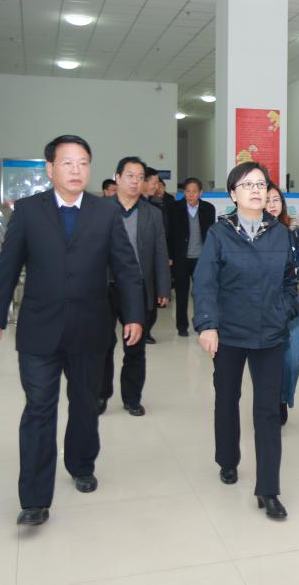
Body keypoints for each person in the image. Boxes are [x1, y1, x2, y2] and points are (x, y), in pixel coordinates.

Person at [0, 135, 144, 527]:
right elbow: (7, 267)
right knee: (39, 408)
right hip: (40, 329)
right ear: (50, 169)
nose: (76, 170)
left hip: (90, 327)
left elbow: (125, 268)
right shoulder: (28, 211)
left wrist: (134, 315)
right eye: (67, 163)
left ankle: (81, 464)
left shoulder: (105, 212)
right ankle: (34, 499)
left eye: (83, 163)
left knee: (85, 402)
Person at [193, 162, 298, 520]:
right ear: (233, 194)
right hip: (230, 333)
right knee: (227, 398)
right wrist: (207, 325)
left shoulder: (280, 234)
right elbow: (204, 282)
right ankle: (227, 459)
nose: (256, 190)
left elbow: (289, 281)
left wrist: (284, 310)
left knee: (267, 411)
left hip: (270, 334)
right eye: (247, 184)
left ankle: (268, 489)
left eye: (261, 184)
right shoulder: (219, 233)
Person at [99, 156, 171, 417]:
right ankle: (100, 395)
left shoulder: (152, 213)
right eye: (129, 176)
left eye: (140, 177)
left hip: (138, 288)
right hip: (104, 288)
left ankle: (132, 398)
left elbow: (160, 252)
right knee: (102, 345)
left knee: (135, 347)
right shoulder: (99, 210)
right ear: (117, 178)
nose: (135, 181)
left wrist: (163, 288)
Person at [265, 183, 299, 425]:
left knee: (293, 357)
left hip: (290, 302)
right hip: (261, 304)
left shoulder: (292, 231)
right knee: (267, 359)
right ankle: (270, 400)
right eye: (268, 200)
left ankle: (282, 398)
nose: (272, 205)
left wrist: (292, 271)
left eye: (276, 200)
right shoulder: (252, 233)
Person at [169, 177, 216, 337]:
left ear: (200, 193)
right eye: (187, 191)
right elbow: (169, 234)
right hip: (181, 258)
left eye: (194, 191)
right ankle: (182, 326)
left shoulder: (208, 209)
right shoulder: (175, 208)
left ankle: (202, 323)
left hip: (201, 259)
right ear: (184, 192)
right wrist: (170, 256)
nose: (190, 195)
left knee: (201, 294)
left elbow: (211, 235)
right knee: (181, 294)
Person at [139, 167, 165, 343]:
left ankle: (145, 332)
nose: (156, 186)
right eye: (154, 182)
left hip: (152, 264)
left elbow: (161, 243)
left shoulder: (156, 205)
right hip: (136, 268)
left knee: (150, 304)